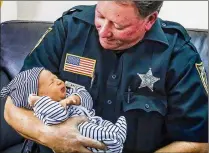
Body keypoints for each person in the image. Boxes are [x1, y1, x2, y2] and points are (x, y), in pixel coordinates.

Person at [4, 1, 208, 153]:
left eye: (119, 26)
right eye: (100, 16)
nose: (103, 32)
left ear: (150, 20)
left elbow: (198, 142)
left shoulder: (178, 54)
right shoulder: (69, 28)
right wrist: (52, 137)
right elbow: (12, 107)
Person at [1, 67, 127, 153]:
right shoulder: (43, 109)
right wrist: (47, 103)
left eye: (55, 77)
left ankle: (115, 133)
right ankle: (114, 140)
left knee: (102, 125)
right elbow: (58, 116)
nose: (58, 81)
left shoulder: (68, 92)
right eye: (52, 83)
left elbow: (86, 97)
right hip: (79, 130)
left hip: (91, 119)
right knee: (94, 133)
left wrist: (75, 98)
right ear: (38, 97)